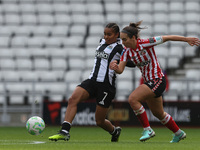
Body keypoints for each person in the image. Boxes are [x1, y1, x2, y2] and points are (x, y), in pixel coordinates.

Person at [109, 21, 200, 143]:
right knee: (158, 113)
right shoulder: (126, 51)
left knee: (132, 99)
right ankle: (179, 133)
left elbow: (167, 38)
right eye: (122, 40)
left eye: (125, 39)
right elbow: (120, 70)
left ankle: (148, 129)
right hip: (149, 82)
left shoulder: (146, 43)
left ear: (134, 38)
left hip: (158, 79)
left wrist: (186, 39)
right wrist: (114, 67)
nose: (123, 42)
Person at [49, 23, 135, 142]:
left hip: (106, 86)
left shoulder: (120, 48)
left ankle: (114, 131)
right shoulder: (101, 42)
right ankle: (64, 131)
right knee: (73, 99)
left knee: (99, 121)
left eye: (109, 34)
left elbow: (132, 62)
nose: (106, 36)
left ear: (117, 35)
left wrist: (117, 62)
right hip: (92, 81)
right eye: (105, 34)